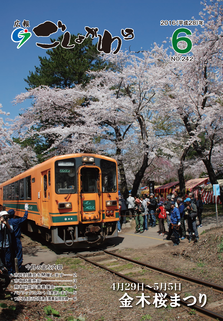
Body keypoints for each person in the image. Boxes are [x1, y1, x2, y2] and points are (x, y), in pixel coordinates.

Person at [8, 204, 28, 271]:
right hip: (16, 239)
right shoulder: (16, 221)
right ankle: (18, 268)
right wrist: (26, 210)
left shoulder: (7, 222)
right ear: (14, 214)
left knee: (12, 253)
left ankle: (12, 268)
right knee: (18, 253)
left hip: (10, 240)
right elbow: (24, 218)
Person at [0, 211, 14, 275]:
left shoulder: (8, 223)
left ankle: (10, 272)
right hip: (0, 245)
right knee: (2, 260)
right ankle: (4, 273)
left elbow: (11, 230)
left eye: (7, 216)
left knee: (9, 259)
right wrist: (1, 222)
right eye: (4, 216)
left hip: (7, 244)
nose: (6, 217)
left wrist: (7, 224)